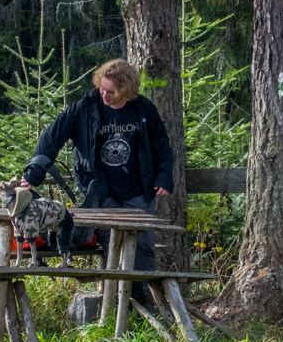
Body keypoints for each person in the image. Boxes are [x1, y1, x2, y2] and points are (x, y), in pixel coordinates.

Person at [21, 59, 174, 303]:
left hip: (138, 191)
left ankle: (141, 302)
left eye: (110, 92)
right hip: (101, 190)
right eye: (101, 88)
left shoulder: (143, 109)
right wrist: (33, 174)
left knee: (143, 247)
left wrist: (164, 177)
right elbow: (52, 137)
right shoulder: (85, 108)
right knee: (109, 245)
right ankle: (112, 303)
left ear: (126, 90)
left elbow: (161, 145)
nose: (104, 94)